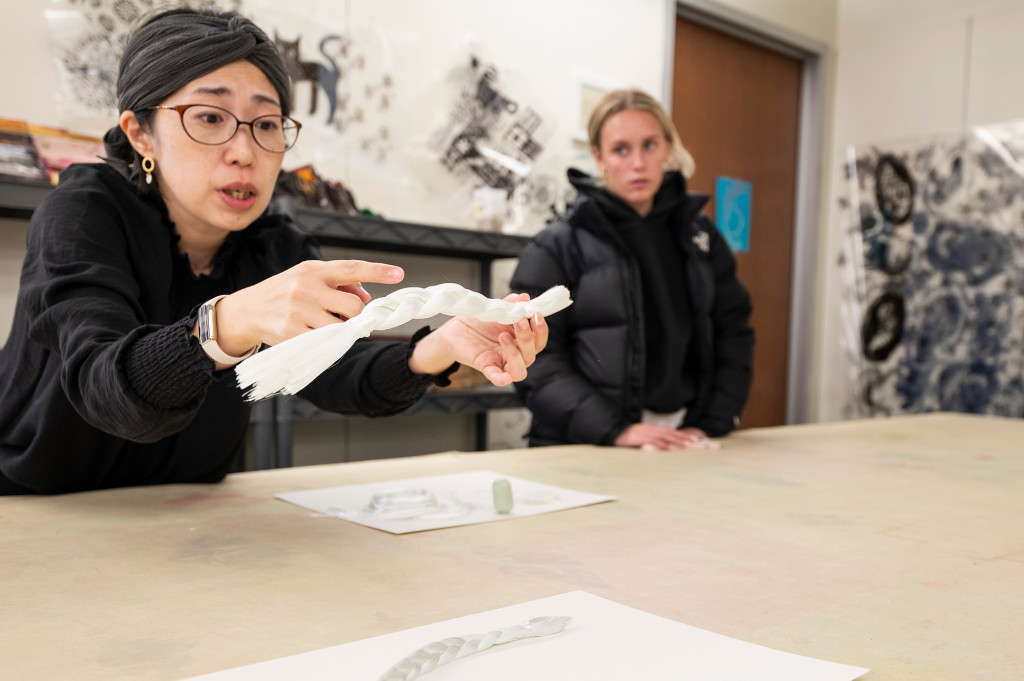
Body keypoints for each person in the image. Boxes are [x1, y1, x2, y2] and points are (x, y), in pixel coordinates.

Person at [0, 9, 548, 494]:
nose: (245, 152)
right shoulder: (83, 213)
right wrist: (229, 321)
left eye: (266, 124)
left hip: (191, 513)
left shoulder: (273, 244)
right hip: (39, 513)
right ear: (140, 134)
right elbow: (107, 388)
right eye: (210, 118)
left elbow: (340, 371)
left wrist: (441, 346)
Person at [509, 88, 753, 450]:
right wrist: (614, 430)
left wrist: (712, 422)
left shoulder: (701, 237)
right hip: (587, 443)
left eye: (650, 145)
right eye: (621, 149)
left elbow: (734, 333)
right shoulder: (557, 245)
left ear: (667, 149)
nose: (638, 163)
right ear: (599, 158)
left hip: (685, 438)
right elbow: (533, 358)